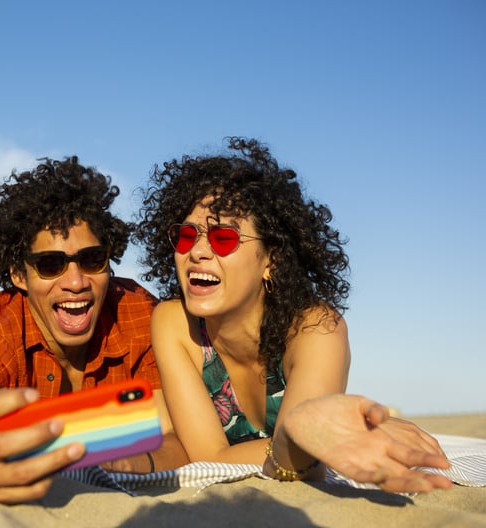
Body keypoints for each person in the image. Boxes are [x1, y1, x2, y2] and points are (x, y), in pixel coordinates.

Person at [132, 137, 451, 492]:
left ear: (273, 260)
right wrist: (296, 446)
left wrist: (306, 440)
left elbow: (302, 466)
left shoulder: (317, 330)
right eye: (187, 235)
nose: (198, 252)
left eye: (224, 238)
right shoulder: (173, 323)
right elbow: (208, 455)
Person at [0, 156, 189, 504]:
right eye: (50, 265)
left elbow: (176, 438)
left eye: (92, 260)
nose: (76, 282)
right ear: (19, 274)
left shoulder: (138, 315)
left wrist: (121, 462)